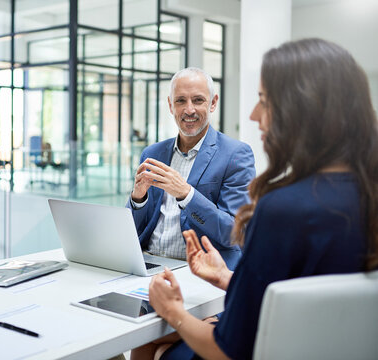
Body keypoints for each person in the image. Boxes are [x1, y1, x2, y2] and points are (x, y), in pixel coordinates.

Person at [133, 38, 378, 360]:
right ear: (170, 105)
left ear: (302, 108)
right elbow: (299, 292)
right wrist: (225, 277)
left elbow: (227, 349)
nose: (252, 114)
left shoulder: (282, 208)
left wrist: (174, 311)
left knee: (153, 346)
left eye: (264, 100)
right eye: (180, 101)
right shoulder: (363, 194)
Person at [128, 67, 255, 270]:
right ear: (171, 105)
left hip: (198, 270)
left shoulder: (236, 154)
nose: (189, 110)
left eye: (198, 100)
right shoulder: (152, 154)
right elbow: (131, 230)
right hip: (147, 265)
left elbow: (235, 232)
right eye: (180, 101)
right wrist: (137, 200)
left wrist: (186, 195)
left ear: (213, 103)